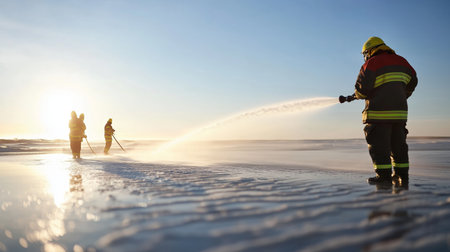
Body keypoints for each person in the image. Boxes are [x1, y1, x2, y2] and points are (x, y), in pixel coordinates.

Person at [353, 36, 417, 185]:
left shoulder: (371, 64)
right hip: (399, 115)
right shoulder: (402, 61)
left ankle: (383, 177)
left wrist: (357, 95)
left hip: (378, 115)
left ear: (369, 51)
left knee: (379, 147)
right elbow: (413, 81)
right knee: (398, 146)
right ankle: (402, 176)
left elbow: (362, 89)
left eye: (365, 54)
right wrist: (401, 95)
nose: (365, 57)